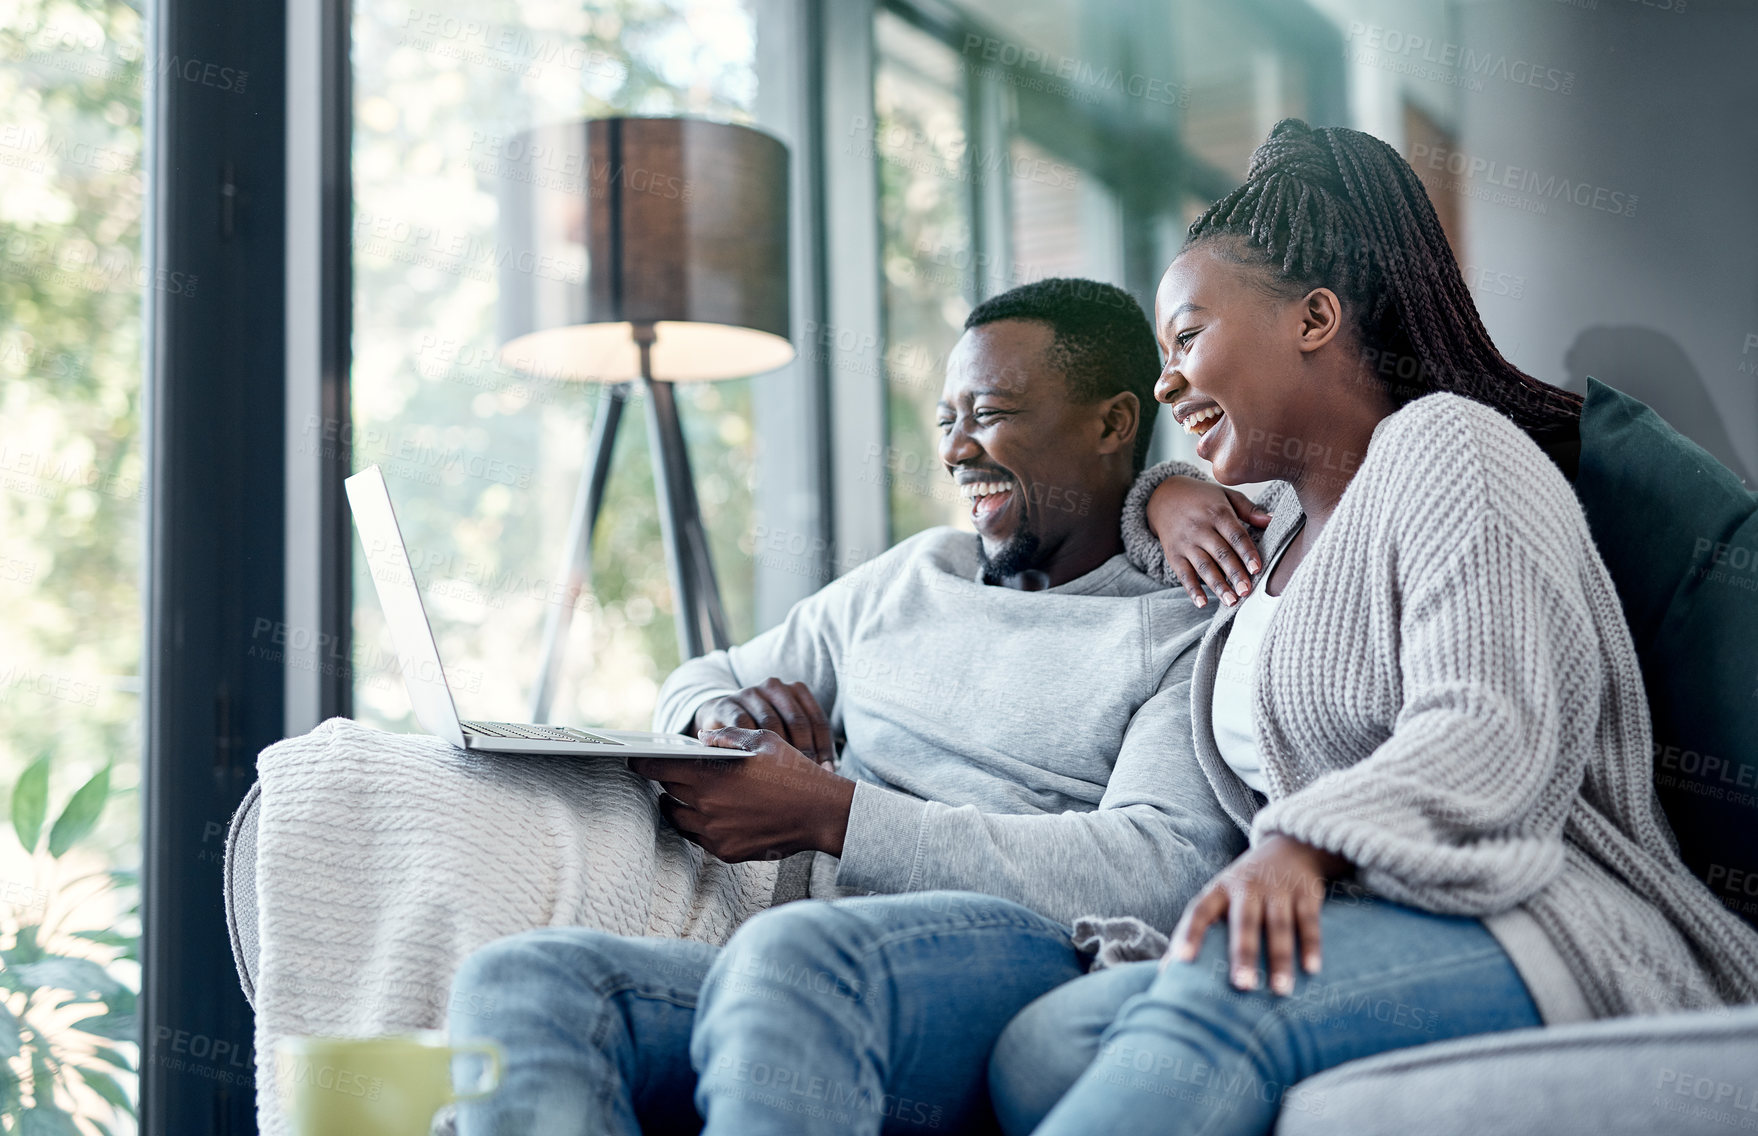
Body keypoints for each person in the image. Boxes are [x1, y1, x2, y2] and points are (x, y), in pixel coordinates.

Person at [981, 118, 1758, 1135]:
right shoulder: (1275, 530)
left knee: (1222, 1001)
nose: (1165, 382)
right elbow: (1094, 543)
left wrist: (1299, 845)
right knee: (1045, 1045)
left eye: (1188, 338)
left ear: (1313, 317)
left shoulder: (1454, 448)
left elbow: (1490, 721)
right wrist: (1162, 492)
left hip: (1544, 912)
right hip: (1382, 921)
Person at [447, 278, 1249, 1135]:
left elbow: (1160, 870)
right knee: (524, 981)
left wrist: (836, 815)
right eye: (947, 420)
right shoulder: (911, 576)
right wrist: (724, 720)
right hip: (805, 970)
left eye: (991, 412)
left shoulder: (1182, 623)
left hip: (1014, 958)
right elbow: (698, 675)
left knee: (789, 960)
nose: (957, 450)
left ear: (1113, 424)